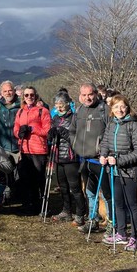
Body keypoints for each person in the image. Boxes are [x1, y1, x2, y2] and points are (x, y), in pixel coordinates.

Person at [99, 94, 137, 251]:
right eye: (116, 106)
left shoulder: (133, 126)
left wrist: (119, 160)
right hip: (113, 171)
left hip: (129, 172)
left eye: (123, 106)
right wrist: (103, 155)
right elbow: (105, 142)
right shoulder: (111, 124)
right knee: (117, 203)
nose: (120, 109)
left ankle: (135, 238)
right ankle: (121, 233)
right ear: (111, 109)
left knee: (131, 205)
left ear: (127, 108)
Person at [72, 83, 111, 234]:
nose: (87, 98)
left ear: (95, 94)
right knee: (90, 192)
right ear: (80, 96)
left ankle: (111, 224)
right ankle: (93, 220)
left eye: (90, 94)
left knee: (107, 193)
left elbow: (110, 131)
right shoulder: (79, 110)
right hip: (84, 159)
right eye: (84, 95)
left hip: (100, 159)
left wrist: (104, 151)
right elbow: (72, 131)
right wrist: (75, 146)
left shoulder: (104, 110)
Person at [48, 92, 86, 226]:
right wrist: (51, 134)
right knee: (63, 187)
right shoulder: (56, 118)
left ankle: (81, 213)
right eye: (57, 105)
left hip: (71, 157)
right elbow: (52, 137)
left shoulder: (75, 118)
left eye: (61, 105)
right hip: (58, 156)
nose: (59, 108)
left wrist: (65, 134)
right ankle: (66, 211)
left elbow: (78, 139)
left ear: (68, 104)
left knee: (75, 187)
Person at [13, 86, 51, 214]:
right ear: (23, 97)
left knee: (39, 178)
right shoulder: (20, 112)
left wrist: (33, 130)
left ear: (36, 96)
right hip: (24, 149)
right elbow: (15, 129)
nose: (29, 97)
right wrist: (20, 133)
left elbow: (47, 131)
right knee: (27, 178)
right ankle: (30, 204)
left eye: (32, 95)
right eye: (27, 95)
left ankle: (42, 205)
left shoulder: (43, 111)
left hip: (39, 150)